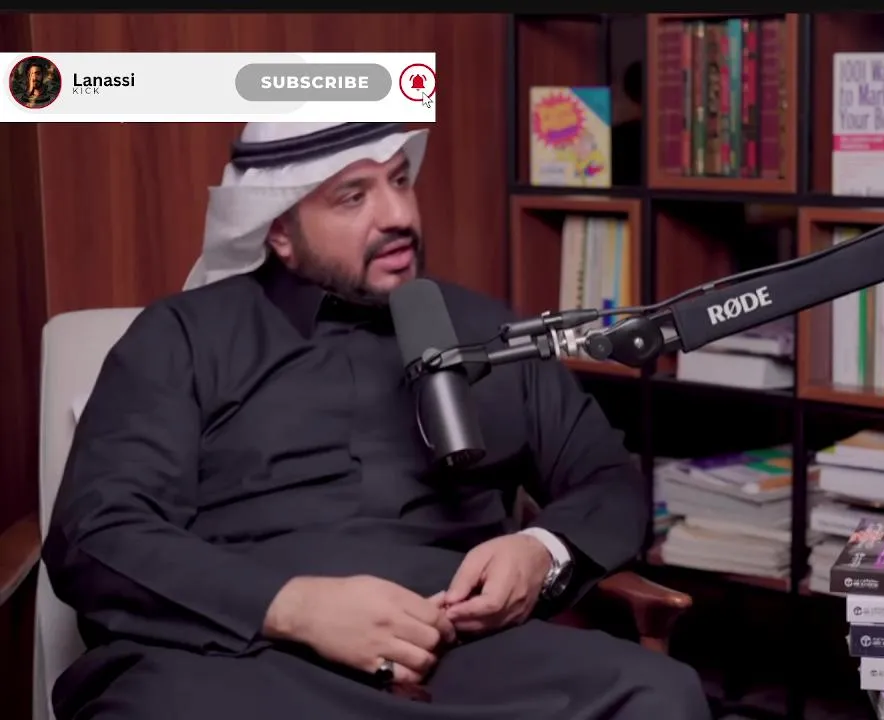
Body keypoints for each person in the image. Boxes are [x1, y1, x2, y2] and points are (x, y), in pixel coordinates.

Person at [43, 122, 712, 720]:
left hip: (453, 654)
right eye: (352, 197)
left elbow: (607, 479)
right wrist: (293, 606)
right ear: (279, 230)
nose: (398, 215)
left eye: (399, 180)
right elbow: (97, 532)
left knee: (657, 693)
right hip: (241, 656)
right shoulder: (185, 336)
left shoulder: (488, 333)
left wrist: (543, 551)